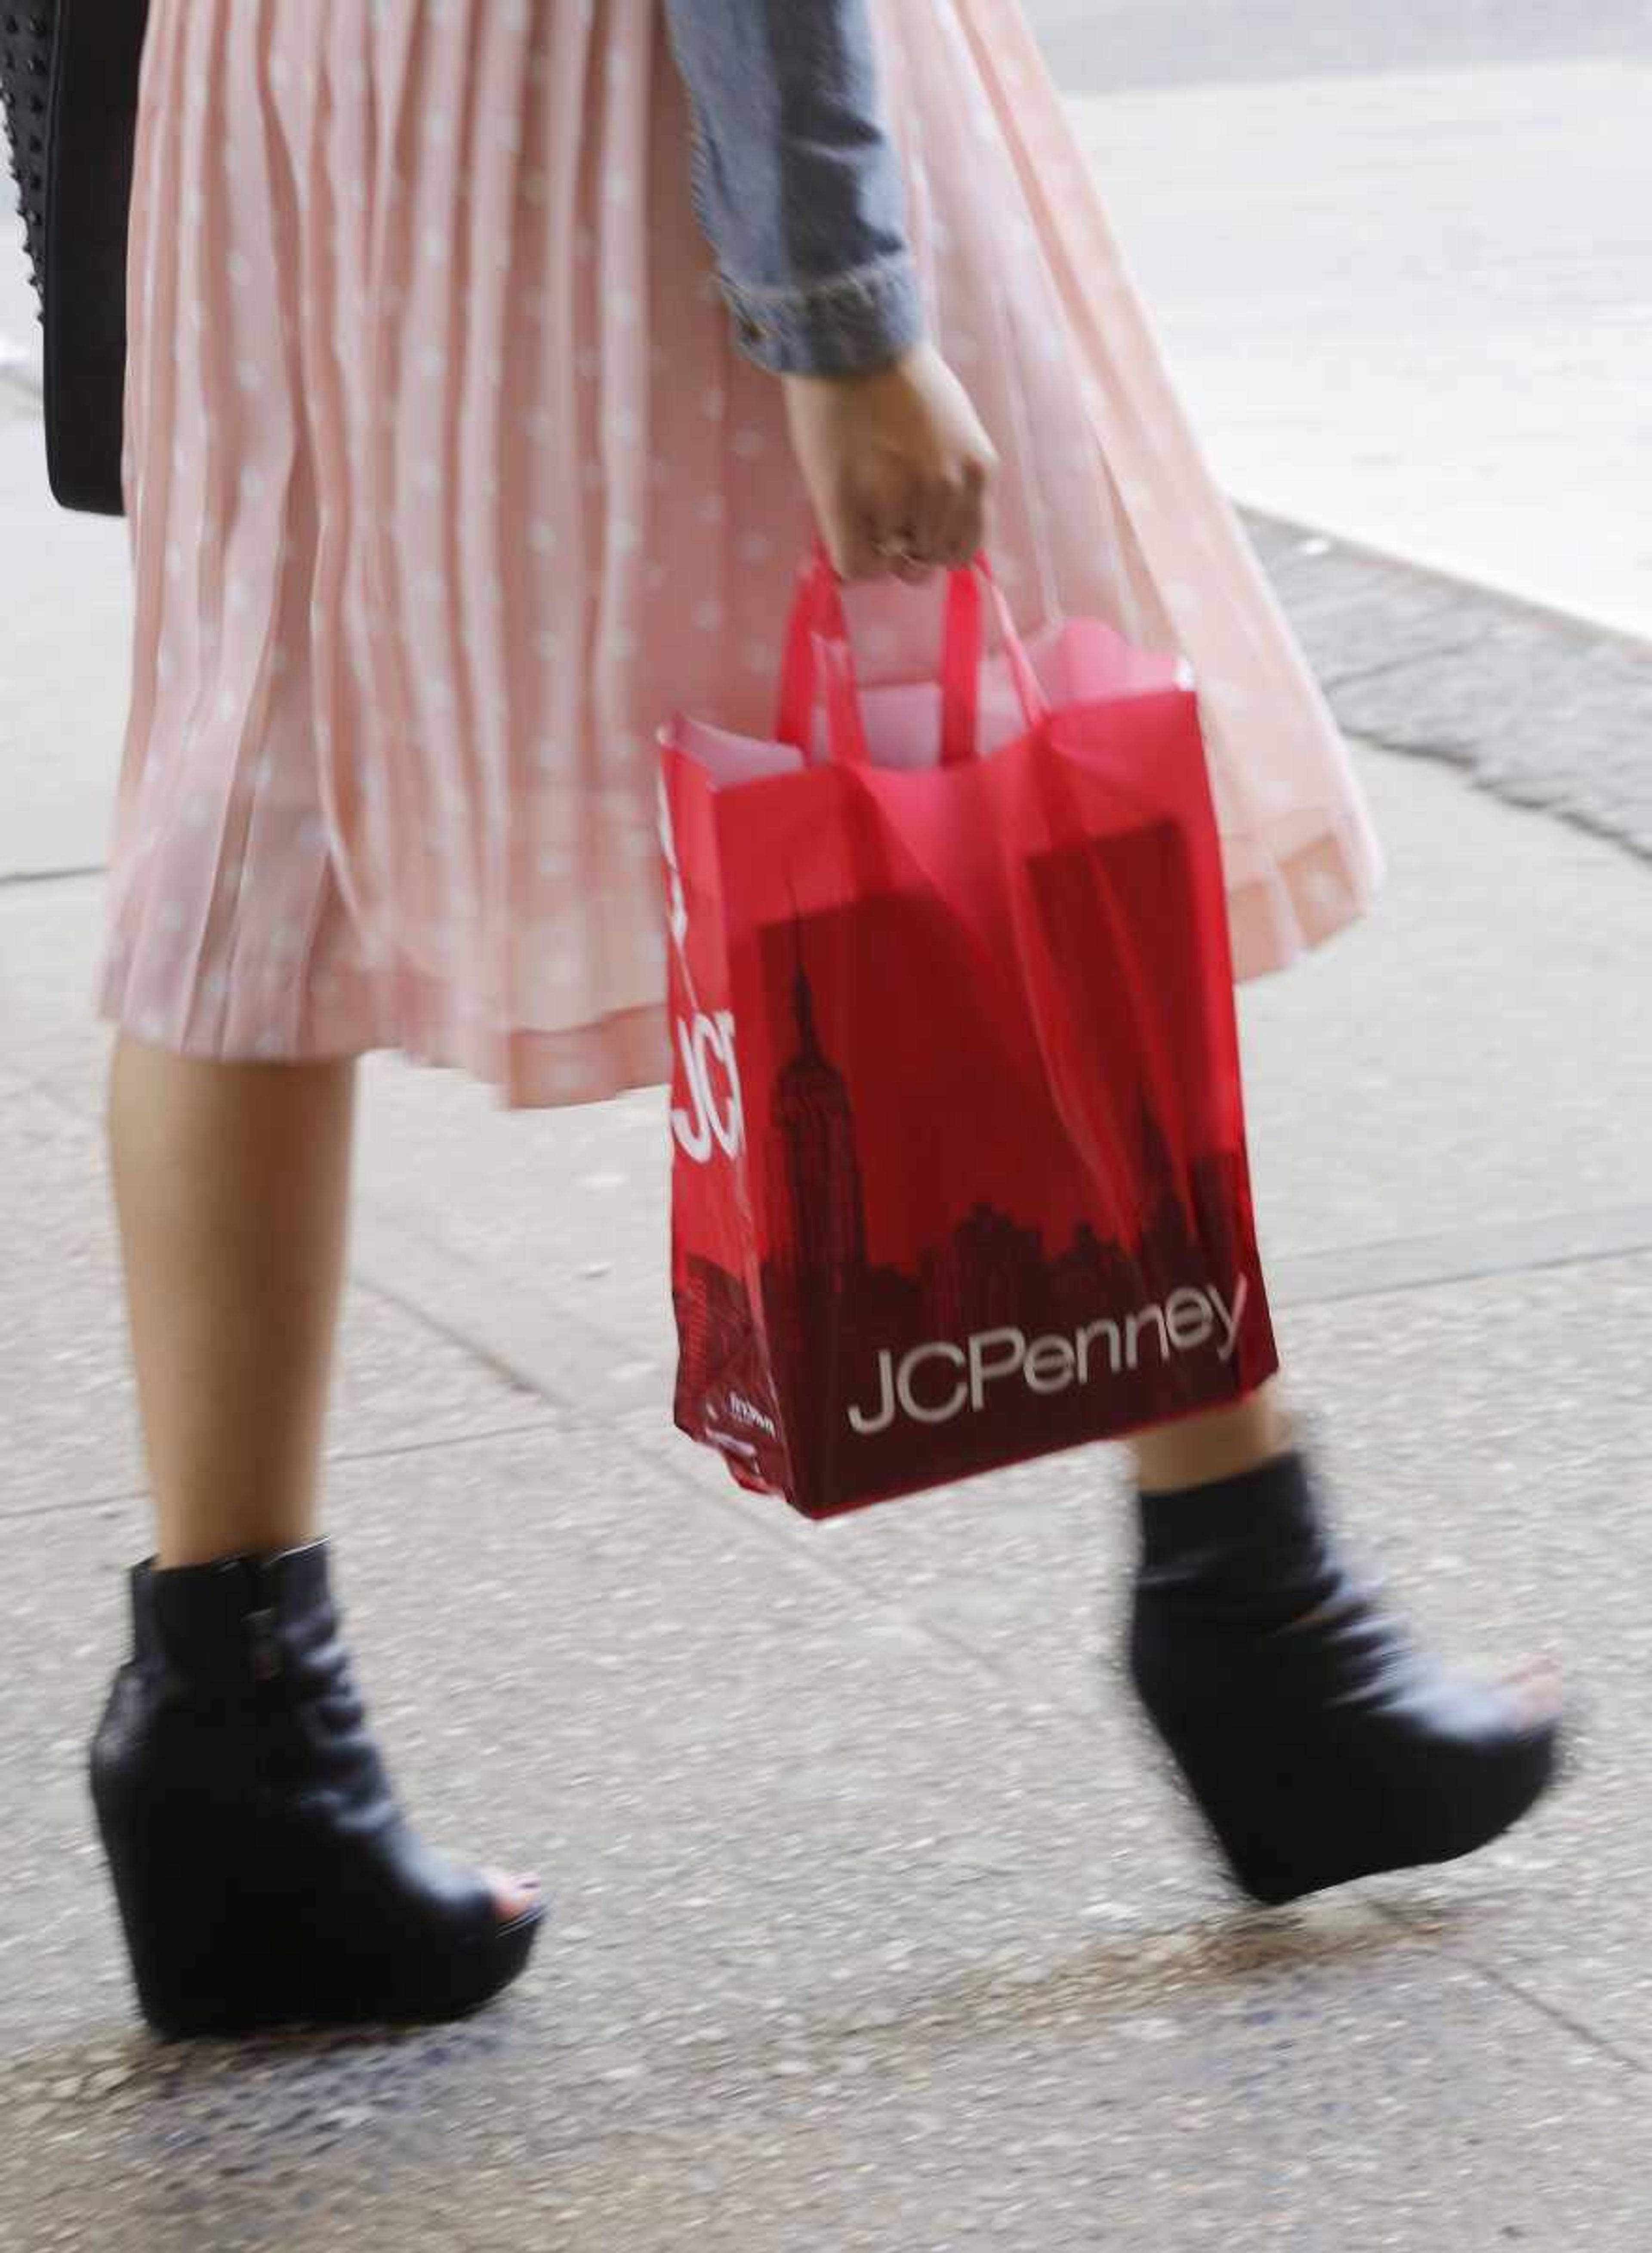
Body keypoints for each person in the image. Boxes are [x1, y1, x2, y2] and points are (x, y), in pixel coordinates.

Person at [87, 0, 1561, 2040]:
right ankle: (1259, 1614)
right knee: (1016, 700)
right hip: (626, 102)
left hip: (280, 86)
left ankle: (235, 1747)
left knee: (257, 794)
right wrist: (845, 310)